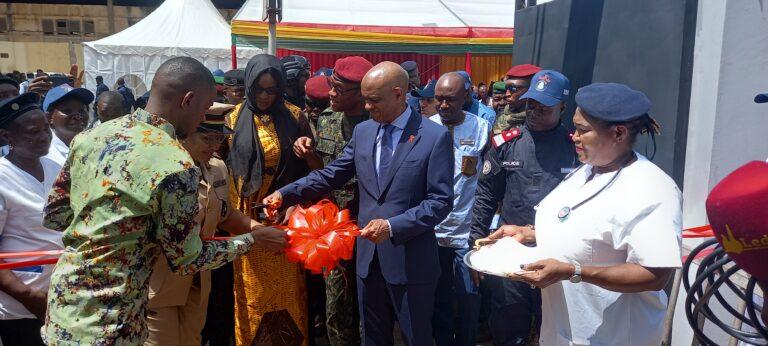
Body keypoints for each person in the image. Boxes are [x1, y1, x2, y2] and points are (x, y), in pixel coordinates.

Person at [41, 57, 270, 345]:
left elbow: (55, 216)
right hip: (114, 322)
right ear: (188, 100)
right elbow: (187, 259)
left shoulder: (91, 137)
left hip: (64, 309)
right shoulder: (175, 163)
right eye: (204, 107)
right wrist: (252, 240)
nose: (204, 117)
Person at [264, 61, 454, 345]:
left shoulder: (433, 136)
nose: (367, 107)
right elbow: (332, 174)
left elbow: (440, 202)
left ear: (399, 94)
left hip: (410, 261)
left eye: (374, 100)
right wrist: (286, 194)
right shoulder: (364, 132)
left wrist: (392, 226)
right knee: (372, 338)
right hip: (368, 260)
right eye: (365, 99)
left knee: (416, 337)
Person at [480, 82, 679, 345]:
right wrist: (528, 234)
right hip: (564, 328)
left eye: (583, 130)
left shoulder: (651, 188)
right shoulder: (586, 170)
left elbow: (655, 275)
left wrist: (573, 271)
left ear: (618, 133)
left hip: (614, 335)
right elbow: (584, 228)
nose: (573, 136)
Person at [146, 103, 288, 346]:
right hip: (161, 286)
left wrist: (260, 230)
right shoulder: (163, 171)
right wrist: (254, 239)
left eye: (219, 138)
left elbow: (225, 215)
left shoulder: (217, 168)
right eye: (207, 138)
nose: (214, 145)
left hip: (198, 283)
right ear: (185, 132)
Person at [469, 70, 577, 346]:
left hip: (557, 253)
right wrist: (475, 246)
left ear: (563, 108)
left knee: (553, 329)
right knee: (507, 327)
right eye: (531, 104)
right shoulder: (507, 143)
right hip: (511, 253)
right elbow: (485, 198)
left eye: (544, 107)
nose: (534, 111)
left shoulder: (575, 149)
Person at [227, 54, 313, 345]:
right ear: (249, 85)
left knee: (288, 292)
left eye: (272, 90)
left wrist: (307, 152)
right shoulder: (231, 118)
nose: (265, 96)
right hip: (246, 220)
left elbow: (313, 173)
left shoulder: (294, 116)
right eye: (259, 89)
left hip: (286, 217)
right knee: (253, 294)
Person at [293, 56, 374, 345]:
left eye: (339, 89)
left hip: (370, 230)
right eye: (331, 86)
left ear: (361, 93)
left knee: (370, 306)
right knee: (336, 306)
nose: (331, 94)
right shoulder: (327, 119)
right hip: (334, 232)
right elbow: (326, 175)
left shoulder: (378, 123)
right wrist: (309, 154)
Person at [429, 72, 490, 346]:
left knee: (469, 296)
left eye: (450, 99)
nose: (443, 105)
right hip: (431, 231)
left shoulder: (482, 129)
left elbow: (489, 181)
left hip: (468, 231)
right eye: (439, 99)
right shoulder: (424, 128)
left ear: (466, 97)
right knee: (438, 296)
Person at [0, 93, 62, 346]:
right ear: (7, 137)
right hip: (22, 305)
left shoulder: (55, 168)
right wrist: (30, 296)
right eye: (32, 132)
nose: (44, 136)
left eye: (46, 128)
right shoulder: (3, 178)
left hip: (59, 298)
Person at [42, 84, 94, 166]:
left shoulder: (94, 144)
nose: (78, 116)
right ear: (49, 118)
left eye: (81, 110)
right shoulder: (45, 157)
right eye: (67, 111)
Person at [493, 64, 541, 135]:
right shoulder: (503, 117)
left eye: (513, 88)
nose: (507, 94)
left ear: (531, 90)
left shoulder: (540, 125)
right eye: (506, 88)